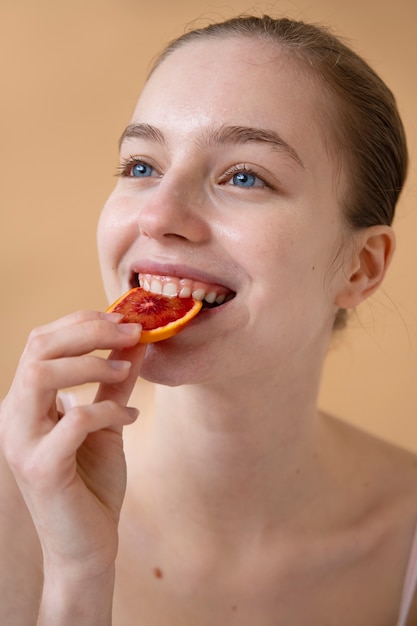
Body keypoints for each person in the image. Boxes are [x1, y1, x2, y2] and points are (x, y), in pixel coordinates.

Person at [0, 13, 416, 626]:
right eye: (141, 166)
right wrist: (77, 576)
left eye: (244, 176)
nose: (159, 214)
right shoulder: (14, 499)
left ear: (359, 267)